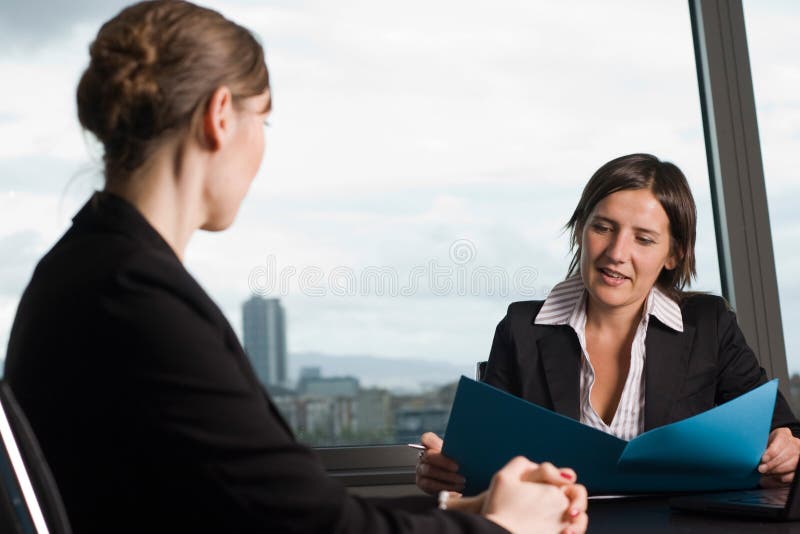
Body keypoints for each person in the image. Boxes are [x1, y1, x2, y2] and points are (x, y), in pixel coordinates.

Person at [3, 1, 588, 533]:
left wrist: (467, 510)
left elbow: (277, 503)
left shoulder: (92, 270)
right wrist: (506, 529)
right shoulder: (133, 297)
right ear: (222, 116)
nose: (262, 146)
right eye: (265, 121)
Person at [416, 153, 800, 496]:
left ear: (674, 254)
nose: (617, 254)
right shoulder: (522, 328)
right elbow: (484, 457)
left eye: (644, 239)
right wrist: (447, 473)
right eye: (603, 227)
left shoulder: (709, 325)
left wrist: (787, 451)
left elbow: (783, 431)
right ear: (580, 229)